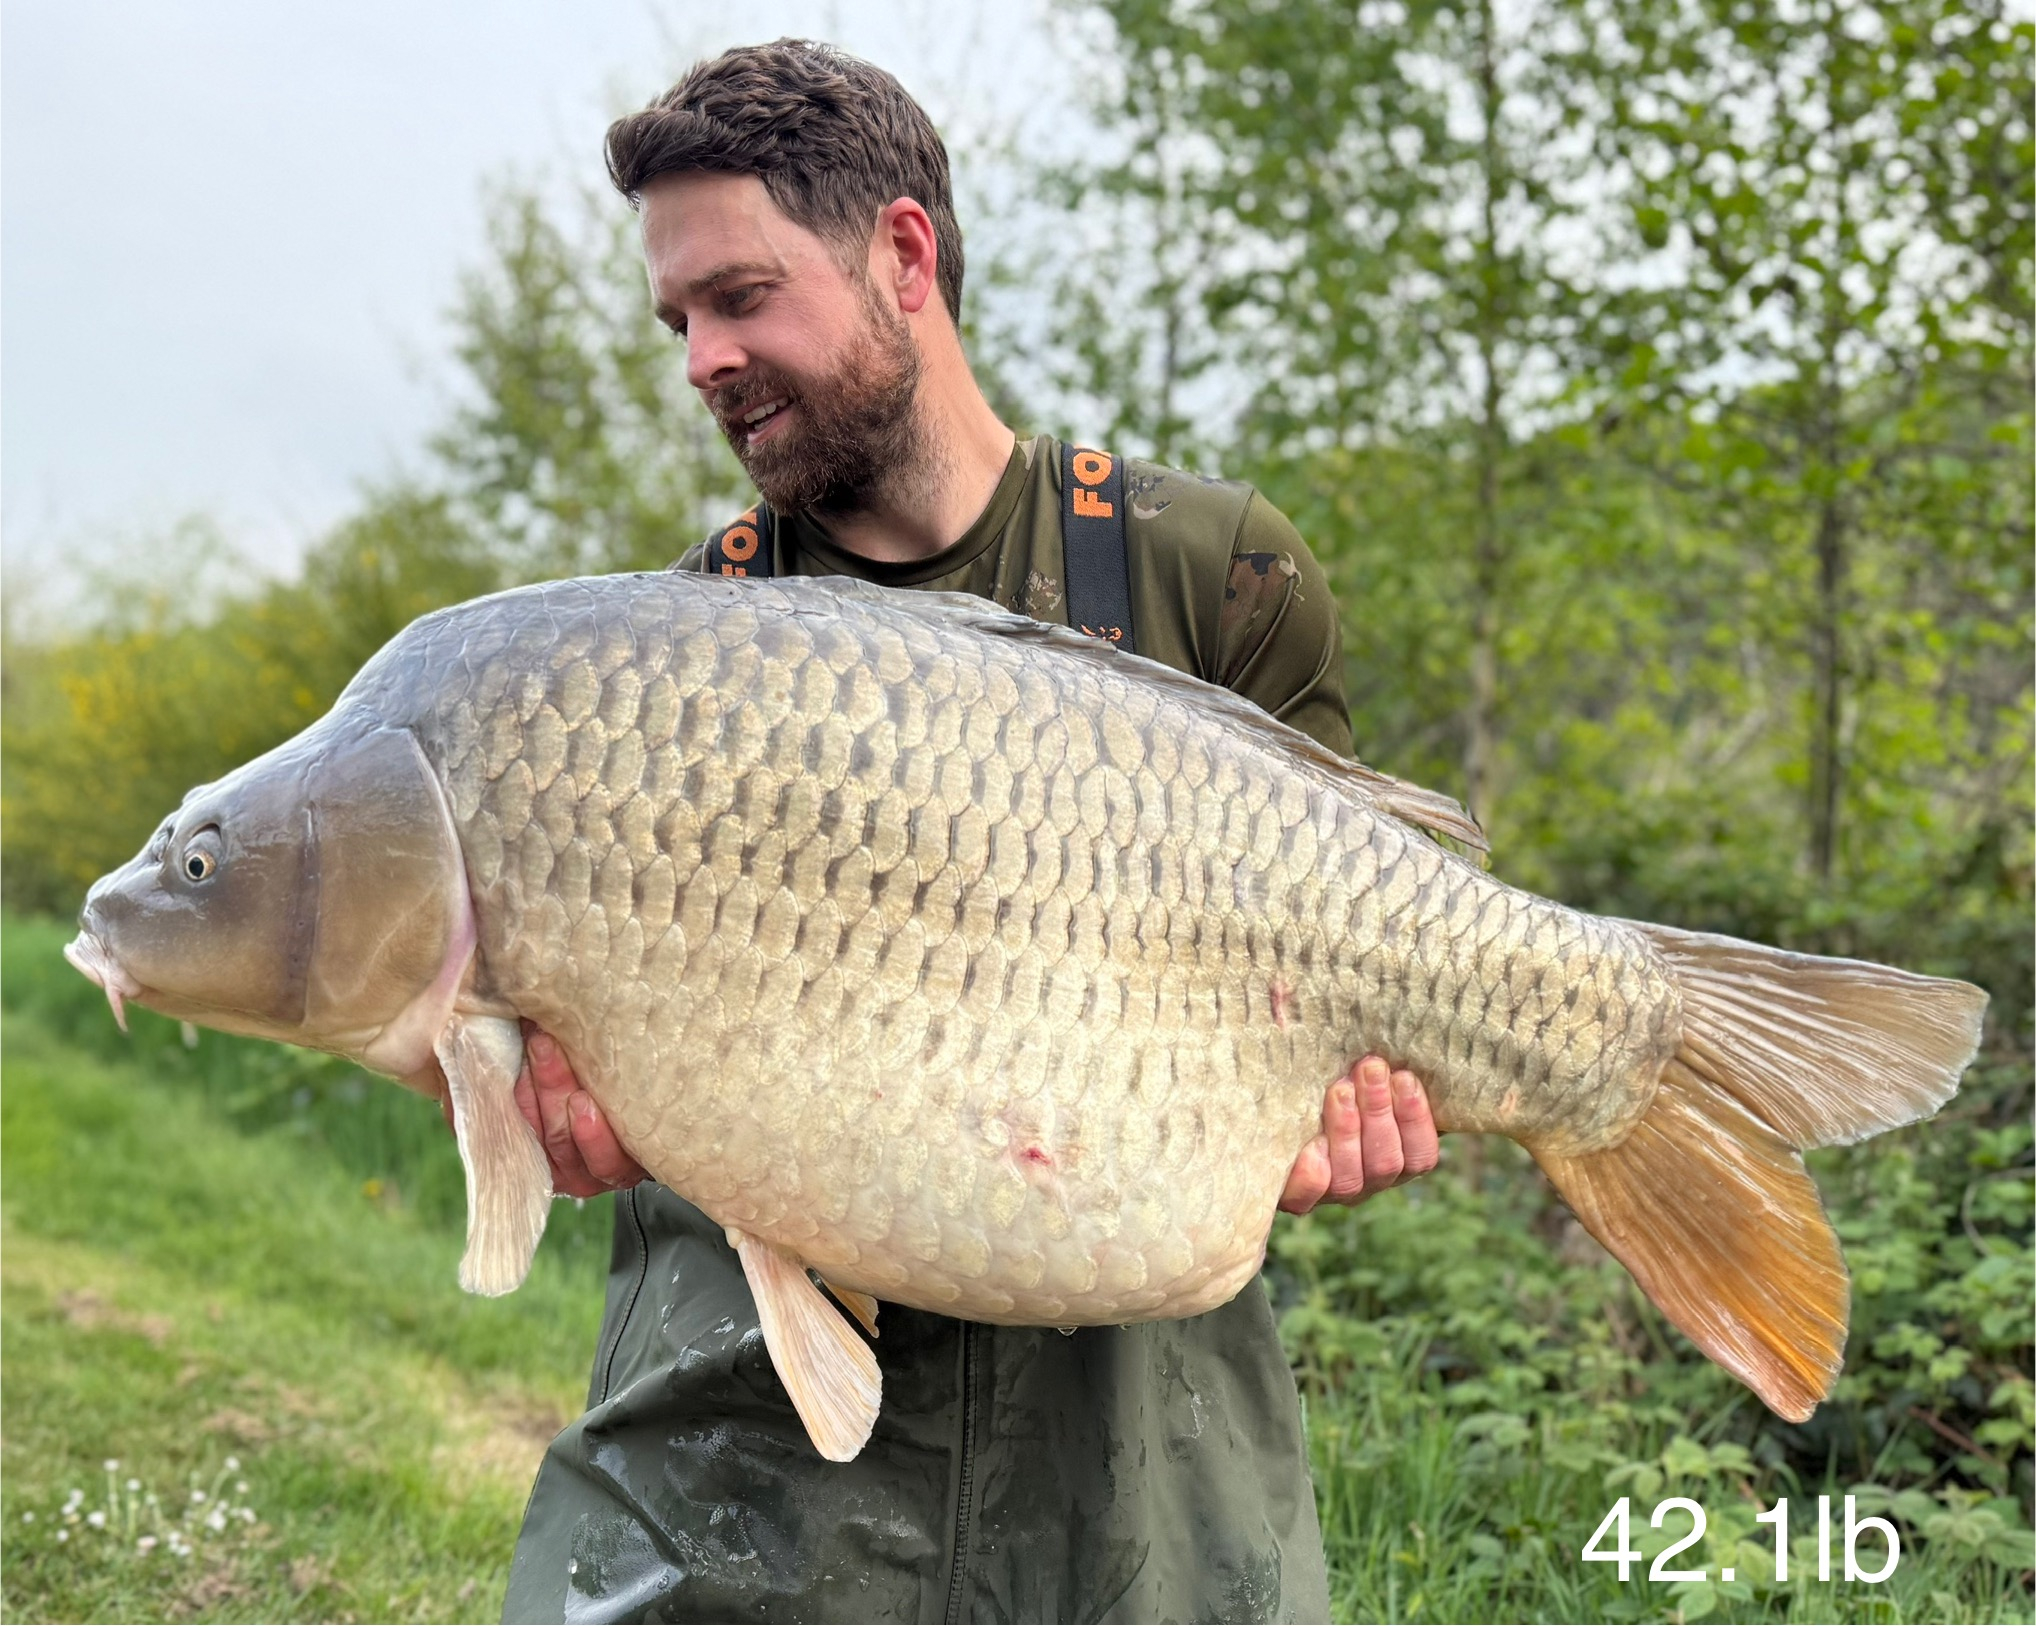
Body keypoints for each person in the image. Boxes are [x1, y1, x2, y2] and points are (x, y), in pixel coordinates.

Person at [499, 39, 1442, 1624]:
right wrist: (553, 1119)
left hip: (1138, 1492)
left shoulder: (1212, 573)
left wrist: (1334, 1114)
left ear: (904, 256)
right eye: (678, 321)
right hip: (750, 1494)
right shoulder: (658, 672)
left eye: (740, 297)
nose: (703, 360)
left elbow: (1339, 992)